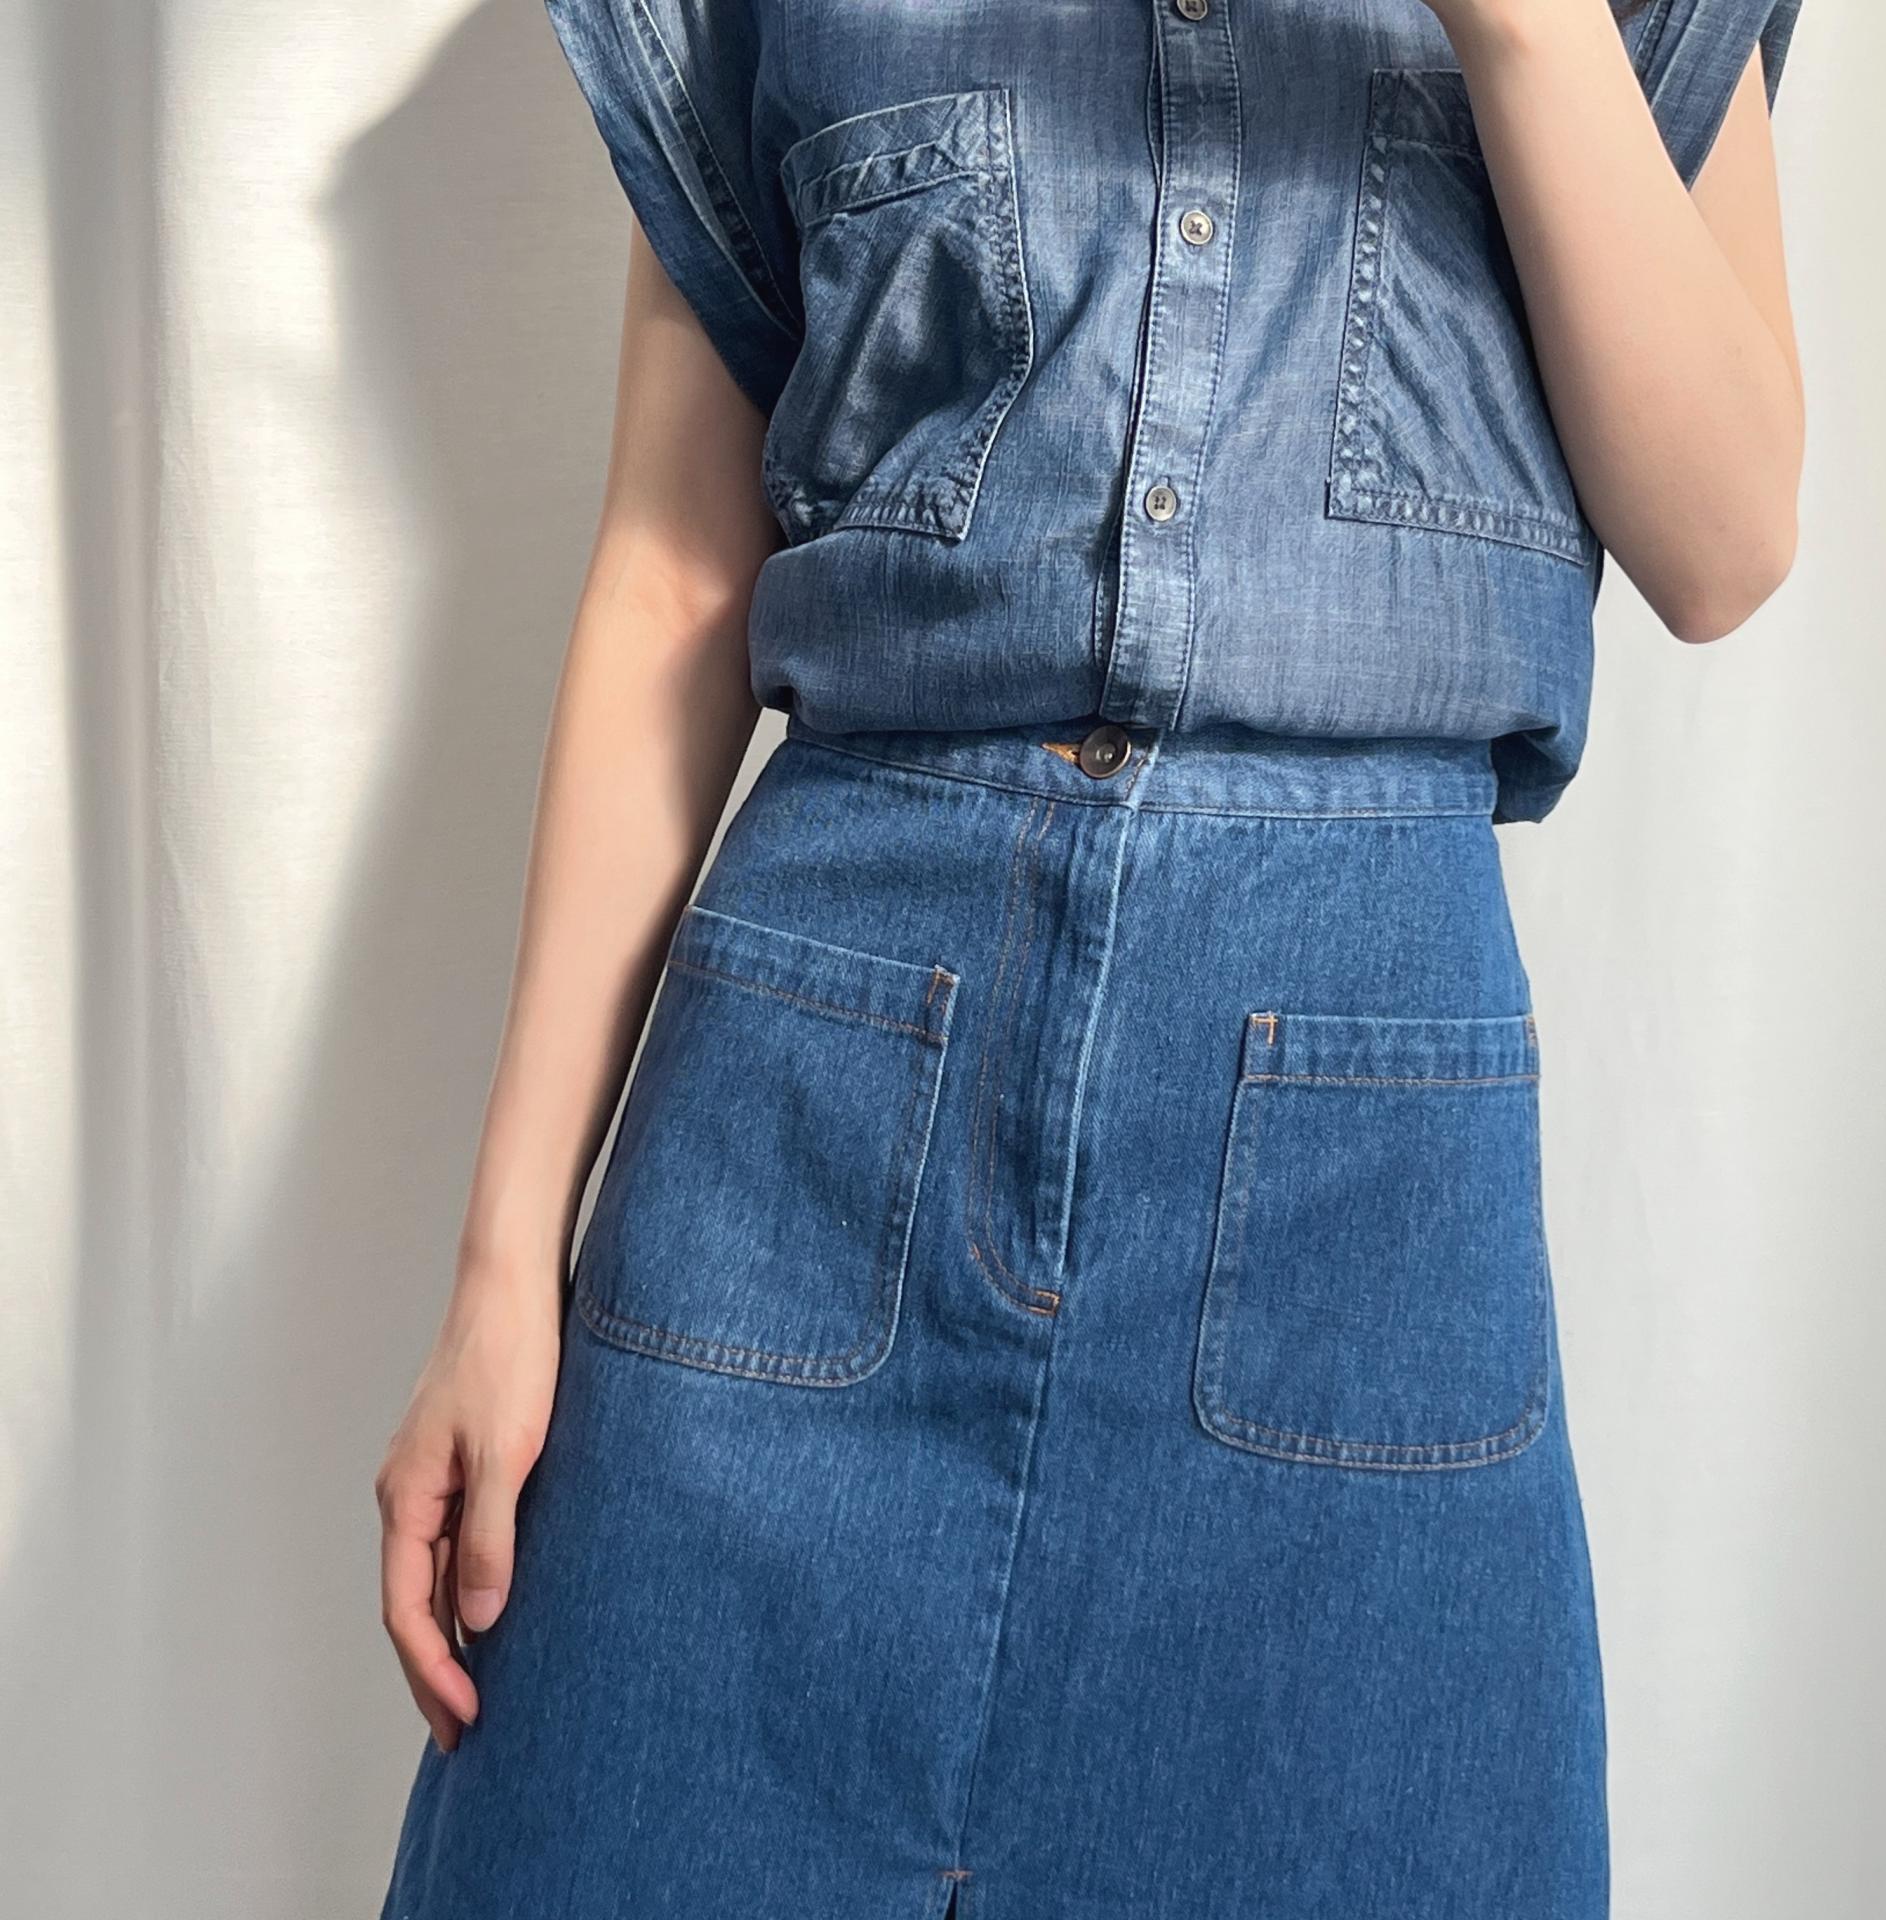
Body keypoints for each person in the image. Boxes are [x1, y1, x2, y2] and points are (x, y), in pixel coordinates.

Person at [375, 0, 1804, 1913]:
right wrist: (500, 1277)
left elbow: (1725, 541)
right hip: (805, 1125)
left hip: (1353, 1188)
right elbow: (676, 572)